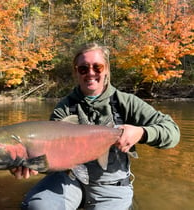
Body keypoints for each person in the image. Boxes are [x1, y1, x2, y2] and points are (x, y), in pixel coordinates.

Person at [11, 42, 180, 210]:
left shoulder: (126, 102)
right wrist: (34, 164)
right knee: (38, 206)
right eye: (83, 68)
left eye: (97, 67)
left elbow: (172, 132)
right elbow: (54, 157)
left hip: (111, 185)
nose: (90, 73)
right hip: (70, 179)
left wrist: (142, 132)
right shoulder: (64, 107)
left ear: (106, 69)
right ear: (76, 72)